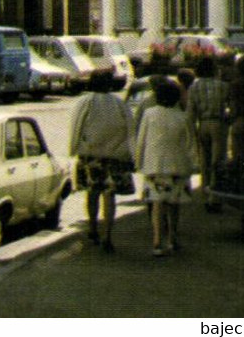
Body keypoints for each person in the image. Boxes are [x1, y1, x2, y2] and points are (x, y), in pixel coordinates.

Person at [67, 68, 134, 252]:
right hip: (115, 156)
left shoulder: (85, 102)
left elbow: (76, 126)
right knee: (109, 195)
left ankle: (93, 228)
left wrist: (72, 149)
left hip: (90, 155)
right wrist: (130, 153)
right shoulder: (120, 104)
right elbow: (131, 129)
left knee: (92, 192)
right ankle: (108, 234)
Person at [135, 76, 197, 257]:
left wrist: (139, 162)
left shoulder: (149, 114)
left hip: (155, 165)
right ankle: (173, 237)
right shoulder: (183, 117)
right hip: (178, 164)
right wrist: (194, 164)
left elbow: (142, 140)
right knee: (174, 203)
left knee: (157, 204)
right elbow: (190, 143)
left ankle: (156, 241)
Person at [186, 56, 231, 210]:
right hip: (218, 123)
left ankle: (205, 191)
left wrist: (191, 131)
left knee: (204, 161)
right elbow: (229, 107)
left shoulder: (194, 87)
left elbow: (190, 113)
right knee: (217, 161)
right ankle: (215, 196)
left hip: (202, 123)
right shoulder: (223, 86)